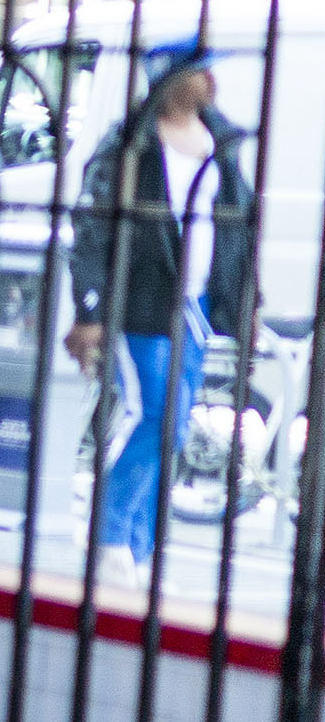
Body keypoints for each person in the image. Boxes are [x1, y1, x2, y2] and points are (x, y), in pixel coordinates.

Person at [68, 40, 256, 580]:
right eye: (202, 74)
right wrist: (90, 309)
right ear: (170, 80)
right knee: (150, 415)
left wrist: (246, 305)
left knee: (171, 426)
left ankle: (137, 545)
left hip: (191, 311)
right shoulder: (131, 145)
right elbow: (92, 229)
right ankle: (106, 532)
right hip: (139, 306)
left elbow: (239, 232)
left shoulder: (221, 142)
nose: (213, 84)